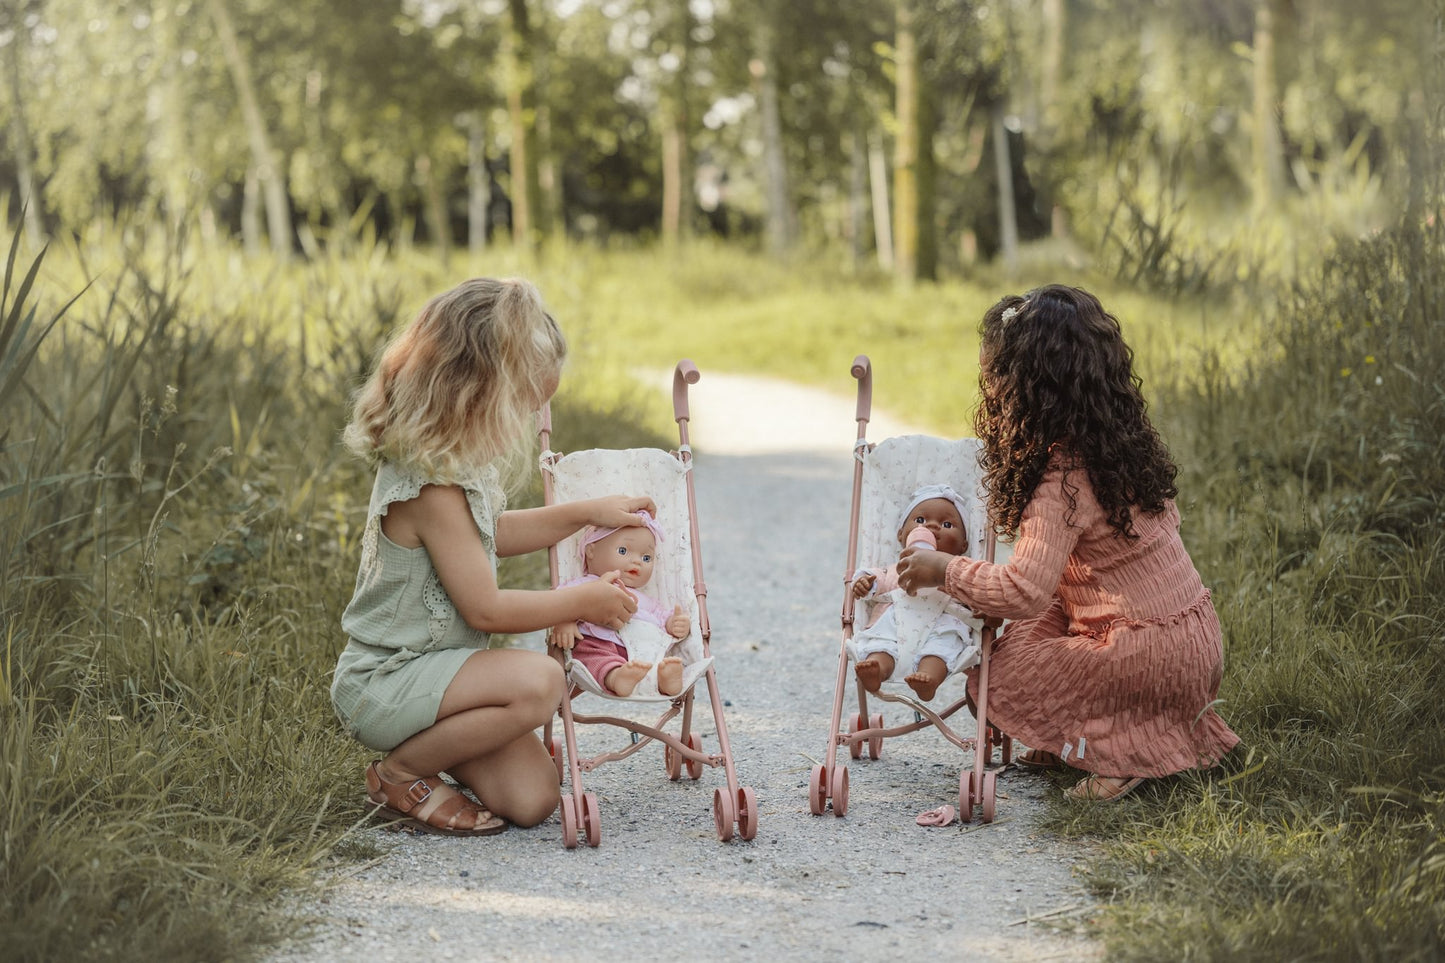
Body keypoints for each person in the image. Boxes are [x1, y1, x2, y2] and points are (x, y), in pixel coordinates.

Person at [330, 277, 657, 836]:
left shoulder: (457, 465)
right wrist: (580, 602)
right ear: (475, 393)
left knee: (532, 799)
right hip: (387, 682)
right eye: (521, 406)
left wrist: (586, 512)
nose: (527, 423)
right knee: (538, 683)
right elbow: (484, 610)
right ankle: (400, 772)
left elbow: (492, 534)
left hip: (438, 681)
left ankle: (433, 749)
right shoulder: (429, 485)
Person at [896, 284, 1240, 802]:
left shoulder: (1061, 479)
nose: (988, 391)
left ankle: (1122, 753)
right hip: (1195, 641)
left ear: (1027, 390)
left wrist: (942, 568)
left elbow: (1023, 590)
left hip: (1144, 658)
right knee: (1030, 630)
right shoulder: (1122, 448)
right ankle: (1113, 732)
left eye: (994, 380)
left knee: (995, 672)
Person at [851, 485, 978, 701]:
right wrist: (864, 583)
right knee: (882, 642)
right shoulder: (896, 567)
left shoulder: (958, 572)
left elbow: (975, 594)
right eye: (920, 520)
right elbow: (877, 579)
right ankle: (876, 670)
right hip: (896, 621)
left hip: (943, 622)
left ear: (963, 545)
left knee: (942, 647)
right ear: (901, 534)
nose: (931, 526)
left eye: (947, 524)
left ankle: (929, 680)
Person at [551, 510, 691, 697]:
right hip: (596, 644)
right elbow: (560, 603)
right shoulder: (584, 585)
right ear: (591, 551)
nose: (636, 561)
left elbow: (662, 618)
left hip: (640, 652)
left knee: (654, 660)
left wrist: (674, 623)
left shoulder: (646, 600)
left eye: (646, 557)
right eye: (623, 551)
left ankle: (665, 680)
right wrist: (564, 622)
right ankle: (617, 678)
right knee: (595, 660)